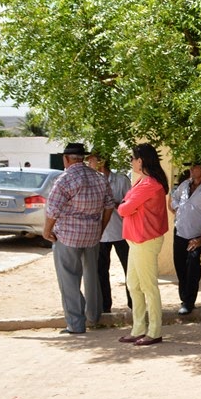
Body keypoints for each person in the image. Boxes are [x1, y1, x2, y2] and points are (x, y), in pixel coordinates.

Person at [44, 142, 114, 335]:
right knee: (92, 276)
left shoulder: (64, 179)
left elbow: (53, 209)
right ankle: (94, 315)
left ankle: (76, 324)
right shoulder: (99, 177)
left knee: (69, 279)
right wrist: (100, 229)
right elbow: (109, 206)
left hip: (67, 235)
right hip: (92, 235)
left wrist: (46, 230)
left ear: (66, 159)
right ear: (82, 158)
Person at [116, 143, 169, 346]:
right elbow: (127, 207)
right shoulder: (144, 182)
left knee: (148, 286)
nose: (131, 161)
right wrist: (129, 207)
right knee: (134, 285)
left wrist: (128, 207)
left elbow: (123, 209)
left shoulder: (149, 184)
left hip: (145, 240)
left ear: (141, 160)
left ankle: (154, 331)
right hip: (137, 240)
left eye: (133, 158)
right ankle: (138, 328)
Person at [170, 161, 201, 316]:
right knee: (180, 265)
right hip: (180, 231)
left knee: (193, 264)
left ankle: (189, 302)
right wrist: (177, 208)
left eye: (195, 166)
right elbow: (173, 199)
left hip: (197, 234)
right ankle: (183, 297)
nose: (190, 169)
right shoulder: (185, 184)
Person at [87, 151, 132, 313]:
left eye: (91, 160)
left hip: (121, 232)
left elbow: (130, 205)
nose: (89, 164)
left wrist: (113, 203)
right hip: (100, 234)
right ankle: (105, 306)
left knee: (130, 268)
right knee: (100, 271)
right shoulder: (90, 182)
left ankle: (134, 304)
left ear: (101, 162)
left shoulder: (121, 180)